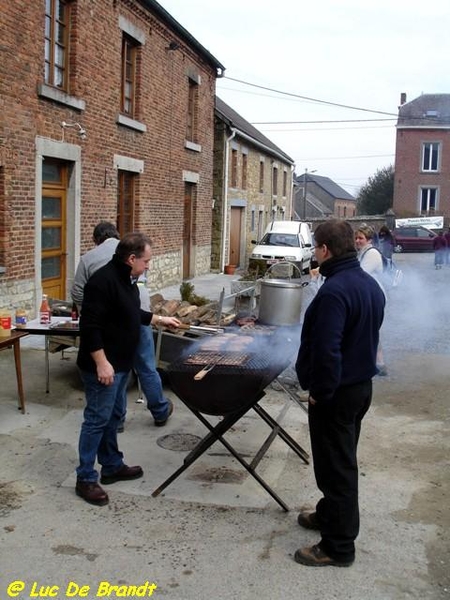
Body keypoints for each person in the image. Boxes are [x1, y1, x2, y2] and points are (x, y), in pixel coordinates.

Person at [294, 220, 385, 567]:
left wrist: (321, 391)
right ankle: (328, 514)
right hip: (360, 389)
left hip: (338, 393)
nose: (314, 253)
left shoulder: (334, 291)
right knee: (338, 461)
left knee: (337, 469)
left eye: (315, 247)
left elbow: (328, 350)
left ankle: (338, 547)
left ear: (325, 250)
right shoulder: (368, 284)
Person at [75, 233, 179, 506]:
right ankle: (85, 478)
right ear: (131, 258)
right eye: (146, 261)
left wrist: (159, 319)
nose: (148, 266)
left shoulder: (127, 281)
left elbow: (130, 314)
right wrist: (101, 362)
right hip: (104, 366)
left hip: (120, 363)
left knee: (111, 418)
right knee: (96, 420)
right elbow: (89, 327)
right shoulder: (102, 282)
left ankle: (111, 466)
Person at [71, 223, 178, 430]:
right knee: (146, 367)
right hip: (139, 313)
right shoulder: (134, 250)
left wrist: (97, 308)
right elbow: (140, 283)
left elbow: (77, 293)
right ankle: (160, 411)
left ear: (96, 240)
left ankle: (117, 420)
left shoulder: (89, 258)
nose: (147, 265)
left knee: (119, 370)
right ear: (117, 235)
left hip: (122, 322)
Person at [355, 225, 388, 376]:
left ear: (368, 240)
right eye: (356, 238)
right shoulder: (362, 252)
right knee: (372, 328)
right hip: (368, 296)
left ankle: (377, 362)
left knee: (372, 328)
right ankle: (378, 363)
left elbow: (360, 274)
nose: (357, 241)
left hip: (374, 296)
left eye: (361, 238)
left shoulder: (372, 253)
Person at [71, 222, 120, 308]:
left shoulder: (87, 258)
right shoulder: (132, 249)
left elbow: (77, 293)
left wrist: (92, 307)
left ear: (94, 239)